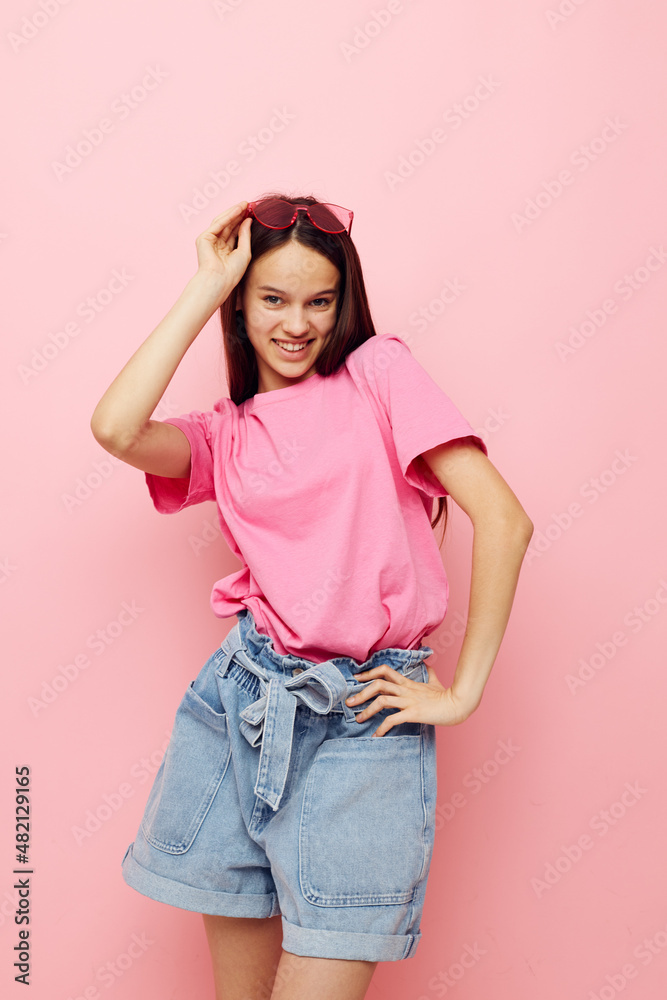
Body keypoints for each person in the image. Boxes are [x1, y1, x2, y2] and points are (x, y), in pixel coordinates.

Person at [90, 193, 533, 1000]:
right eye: (272, 298)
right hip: (241, 706)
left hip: (364, 718)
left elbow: (504, 519)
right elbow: (116, 429)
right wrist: (206, 285)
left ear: (342, 304)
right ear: (240, 304)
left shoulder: (378, 374)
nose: (297, 324)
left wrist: (462, 692)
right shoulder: (224, 434)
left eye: (319, 302)